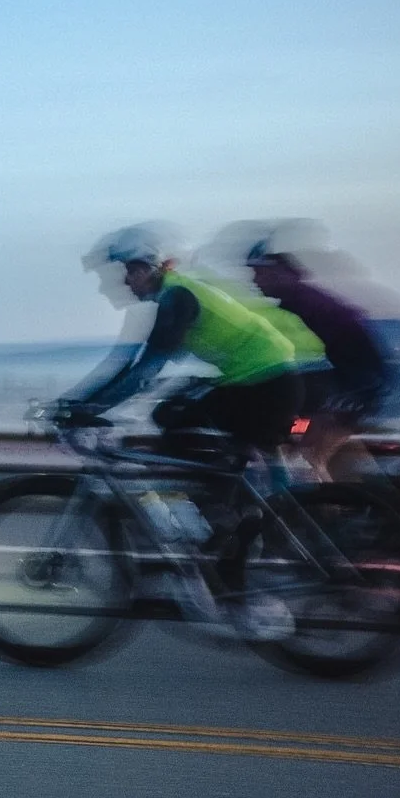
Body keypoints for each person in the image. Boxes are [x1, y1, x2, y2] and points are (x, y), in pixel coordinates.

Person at [65, 223, 304, 639]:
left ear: (149, 266)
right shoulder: (176, 292)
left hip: (264, 386)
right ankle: (214, 528)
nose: (123, 281)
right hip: (260, 382)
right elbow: (131, 365)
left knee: (182, 427)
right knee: (173, 418)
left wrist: (85, 408)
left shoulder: (178, 297)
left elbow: (142, 371)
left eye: (128, 270)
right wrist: (78, 403)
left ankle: (225, 562)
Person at [245, 233, 390, 478]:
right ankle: (381, 503)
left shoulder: (301, 304)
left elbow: (284, 360)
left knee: (307, 455)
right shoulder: (300, 300)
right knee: (318, 450)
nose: (254, 281)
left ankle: (320, 510)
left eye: (258, 273)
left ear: (279, 270)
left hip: (353, 387)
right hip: (357, 386)